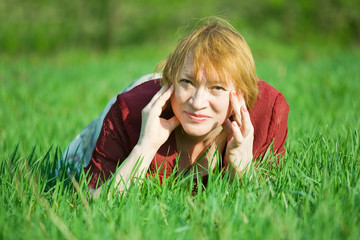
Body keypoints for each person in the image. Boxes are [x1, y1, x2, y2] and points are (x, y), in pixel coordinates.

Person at [61, 18, 289, 197]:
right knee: (66, 165)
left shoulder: (268, 113)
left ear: (240, 93)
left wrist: (243, 168)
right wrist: (144, 147)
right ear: (172, 81)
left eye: (217, 88)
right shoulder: (128, 110)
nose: (198, 103)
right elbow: (91, 202)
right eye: (187, 82)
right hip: (145, 93)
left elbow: (270, 207)